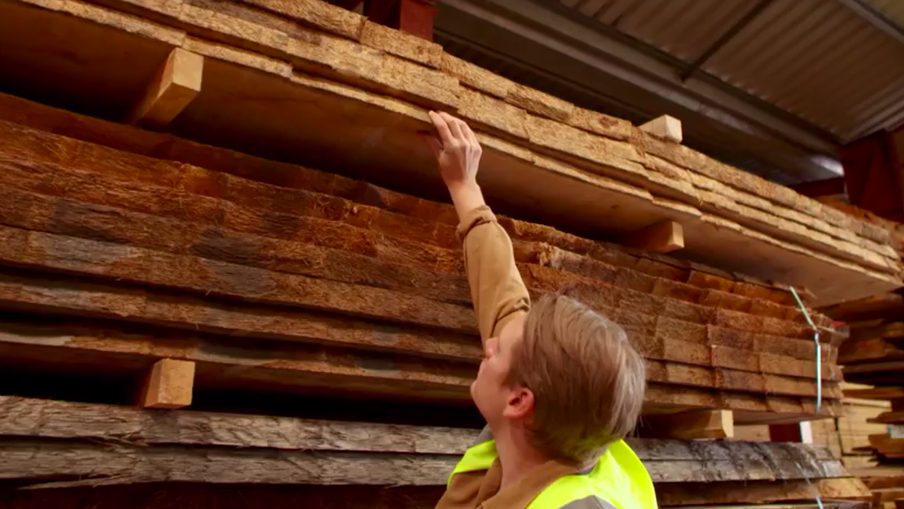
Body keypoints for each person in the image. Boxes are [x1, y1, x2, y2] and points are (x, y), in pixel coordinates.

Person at [425, 111, 657, 509]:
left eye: (499, 350)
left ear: (519, 401)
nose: (489, 345)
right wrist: (465, 186)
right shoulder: (568, 423)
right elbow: (505, 301)